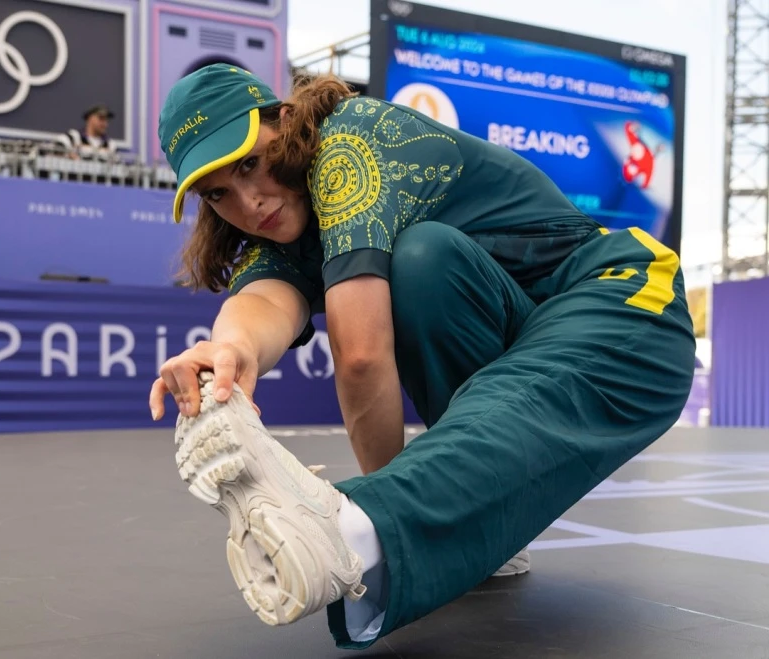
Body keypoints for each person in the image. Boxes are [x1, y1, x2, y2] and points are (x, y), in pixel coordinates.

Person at [148, 64, 695, 650]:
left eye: (250, 163)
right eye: (217, 193)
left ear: (286, 120)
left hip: (620, 300)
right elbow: (263, 300)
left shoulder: (349, 144)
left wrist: (377, 512)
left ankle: (354, 533)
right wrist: (228, 350)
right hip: (517, 336)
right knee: (425, 262)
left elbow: (359, 356)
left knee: (422, 259)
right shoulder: (283, 227)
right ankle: (477, 524)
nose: (249, 201)